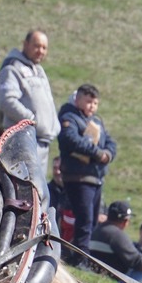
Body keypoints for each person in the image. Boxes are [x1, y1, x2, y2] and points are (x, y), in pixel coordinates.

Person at [54, 83, 114, 248]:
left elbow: (110, 142)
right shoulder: (69, 117)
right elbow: (71, 140)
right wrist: (97, 153)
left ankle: (81, 254)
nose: (92, 106)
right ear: (78, 100)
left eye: (95, 103)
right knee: (84, 218)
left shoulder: (96, 122)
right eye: (88, 101)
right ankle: (79, 257)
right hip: (77, 176)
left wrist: (107, 154)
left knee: (93, 219)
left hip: (95, 177)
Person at [0, 29, 59, 153]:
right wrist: (31, 119)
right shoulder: (12, 68)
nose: (40, 51)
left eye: (44, 48)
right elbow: (7, 101)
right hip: (24, 141)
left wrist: (55, 126)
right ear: (25, 44)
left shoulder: (39, 70)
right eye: (36, 46)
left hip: (41, 141)